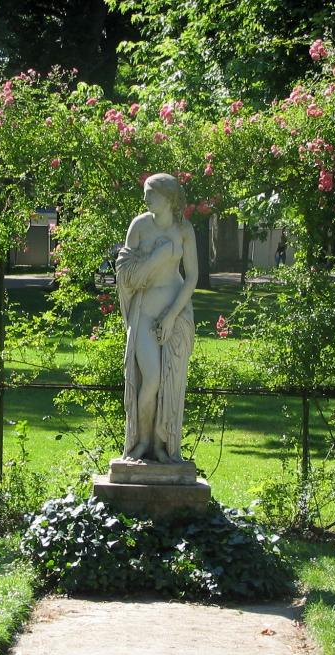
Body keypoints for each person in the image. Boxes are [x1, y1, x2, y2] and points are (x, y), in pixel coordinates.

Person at [116, 173, 197, 463]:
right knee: (149, 380)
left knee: (169, 383)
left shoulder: (185, 230)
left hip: (175, 316)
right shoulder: (139, 226)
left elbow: (192, 278)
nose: (146, 198)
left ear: (169, 198)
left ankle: (163, 447)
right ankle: (142, 442)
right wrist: (158, 257)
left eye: (152, 193)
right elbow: (126, 276)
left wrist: (171, 316)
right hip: (144, 314)